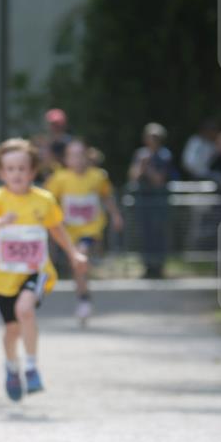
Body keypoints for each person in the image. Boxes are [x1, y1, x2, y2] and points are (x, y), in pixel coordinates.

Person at [0, 138, 87, 402]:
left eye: (22, 168)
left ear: (32, 172)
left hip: (37, 270)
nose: (16, 174)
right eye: (10, 169)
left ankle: (31, 367)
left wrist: (73, 253)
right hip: (3, 277)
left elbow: (56, 227)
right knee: (12, 330)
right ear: (1, 173)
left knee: (25, 310)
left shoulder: (44, 200)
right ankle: (11, 367)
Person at [45, 139, 123, 326]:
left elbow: (107, 197)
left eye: (80, 155)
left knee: (81, 255)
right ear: (66, 159)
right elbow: (47, 200)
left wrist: (116, 216)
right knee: (77, 264)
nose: (77, 160)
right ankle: (83, 295)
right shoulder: (60, 178)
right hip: (69, 231)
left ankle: (84, 299)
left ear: (87, 157)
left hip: (91, 228)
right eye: (72, 156)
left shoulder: (97, 176)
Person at [128, 122, 176, 279]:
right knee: (145, 234)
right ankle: (147, 267)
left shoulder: (165, 155)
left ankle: (159, 267)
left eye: (154, 137)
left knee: (159, 234)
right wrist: (141, 166)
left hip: (158, 202)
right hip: (143, 202)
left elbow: (158, 180)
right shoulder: (140, 154)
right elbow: (133, 176)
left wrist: (147, 167)